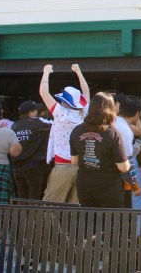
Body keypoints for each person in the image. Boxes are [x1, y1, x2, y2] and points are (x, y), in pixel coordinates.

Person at [39, 63, 90, 204]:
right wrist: (79, 72)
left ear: (66, 103)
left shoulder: (61, 113)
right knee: (74, 207)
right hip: (80, 167)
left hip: (62, 166)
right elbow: (86, 93)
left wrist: (46, 72)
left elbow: (44, 93)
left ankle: (50, 227)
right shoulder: (84, 113)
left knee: (51, 204)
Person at [69, 92, 129, 207]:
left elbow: (74, 162)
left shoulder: (76, 131)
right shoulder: (112, 133)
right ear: (110, 110)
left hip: (84, 185)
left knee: (89, 221)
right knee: (110, 222)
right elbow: (124, 167)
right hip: (109, 187)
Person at [11, 100, 53, 200]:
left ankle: (21, 215)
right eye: (35, 110)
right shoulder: (39, 123)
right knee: (34, 196)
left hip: (17, 168)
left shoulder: (14, 126)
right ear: (31, 112)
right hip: (34, 167)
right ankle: (32, 216)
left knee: (21, 196)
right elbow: (57, 125)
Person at [114, 94, 141, 206]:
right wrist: (135, 185)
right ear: (137, 113)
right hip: (124, 166)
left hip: (111, 168)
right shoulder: (126, 130)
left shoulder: (113, 121)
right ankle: (139, 223)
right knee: (137, 200)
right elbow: (127, 159)